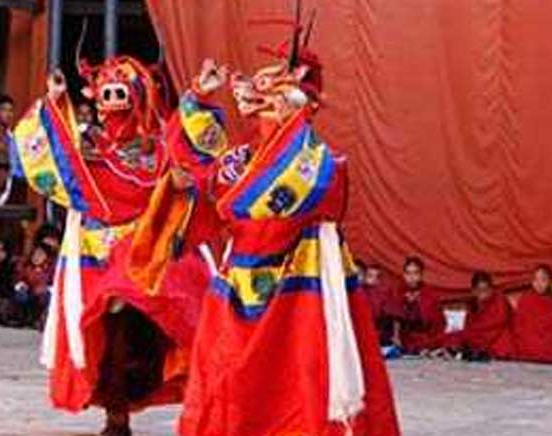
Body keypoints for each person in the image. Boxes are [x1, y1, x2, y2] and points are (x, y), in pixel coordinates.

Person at [150, 20, 400, 432]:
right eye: (260, 87)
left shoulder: (320, 166)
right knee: (228, 379)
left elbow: (287, 193)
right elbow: (191, 173)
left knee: (300, 384)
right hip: (239, 286)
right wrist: (197, 98)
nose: (257, 94)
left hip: (299, 290)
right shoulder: (238, 161)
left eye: (273, 89)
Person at [12, 60, 206, 436]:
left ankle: (189, 400)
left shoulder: (158, 146)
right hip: (100, 255)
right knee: (109, 333)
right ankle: (116, 414)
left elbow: (187, 159)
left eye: (122, 92)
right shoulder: (91, 147)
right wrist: (54, 101)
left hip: (149, 250)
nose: (114, 100)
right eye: (108, 93)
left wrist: (198, 98)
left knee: (158, 329)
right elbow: (54, 158)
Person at [511, 265, 552, 364]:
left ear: (551, 281)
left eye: (543, 280)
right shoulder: (525, 300)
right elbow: (518, 327)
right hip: (532, 342)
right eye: (535, 280)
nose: (539, 284)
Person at [447, 271, 513, 361]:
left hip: (497, 344)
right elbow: (469, 327)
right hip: (477, 341)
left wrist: (470, 337)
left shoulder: (499, 300)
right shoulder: (473, 305)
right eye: (479, 290)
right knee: (452, 337)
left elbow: (496, 325)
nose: (483, 294)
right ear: (473, 291)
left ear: (491, 289)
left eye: (486, 290)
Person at [398, 257, 447, 355]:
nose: (411, 277)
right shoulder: (397, 293)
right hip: (402, 344)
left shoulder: (430, 296)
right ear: (404, 275)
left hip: (425, 343)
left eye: (415, 273)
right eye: (408, 273)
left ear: (421, 275)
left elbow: (439, 325)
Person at [7, 241, 55, 328]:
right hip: (29, 292)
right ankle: (21, 318)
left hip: (43, 294)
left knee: (46, 297)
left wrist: (46, 288)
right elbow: (19, 279)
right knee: (20, 296)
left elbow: (53, 282)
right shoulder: (26, 266)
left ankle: (41, 319)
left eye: (40, 255)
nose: (36, 257)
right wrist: (22, 286)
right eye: (35, 254)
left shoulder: (50, 268)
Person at [361, 263, 403, 351]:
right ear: (364, 277)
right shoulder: (359, 292)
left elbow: (395, 317)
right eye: (370, 276)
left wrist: (396, 337)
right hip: (363, 333)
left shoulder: (385, 293)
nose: (373, 279)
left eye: (377, 277)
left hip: (382, 336)